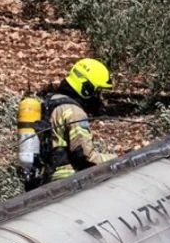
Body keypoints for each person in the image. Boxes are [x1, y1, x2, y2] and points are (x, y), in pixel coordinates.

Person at [25, 58, 112, 189]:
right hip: (69, 184)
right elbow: (86, 156)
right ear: (87, 89)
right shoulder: (73, 112)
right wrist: (119, 158)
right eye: (98, 91)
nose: (100, 98)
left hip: (47, 181)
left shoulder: (50, 102)